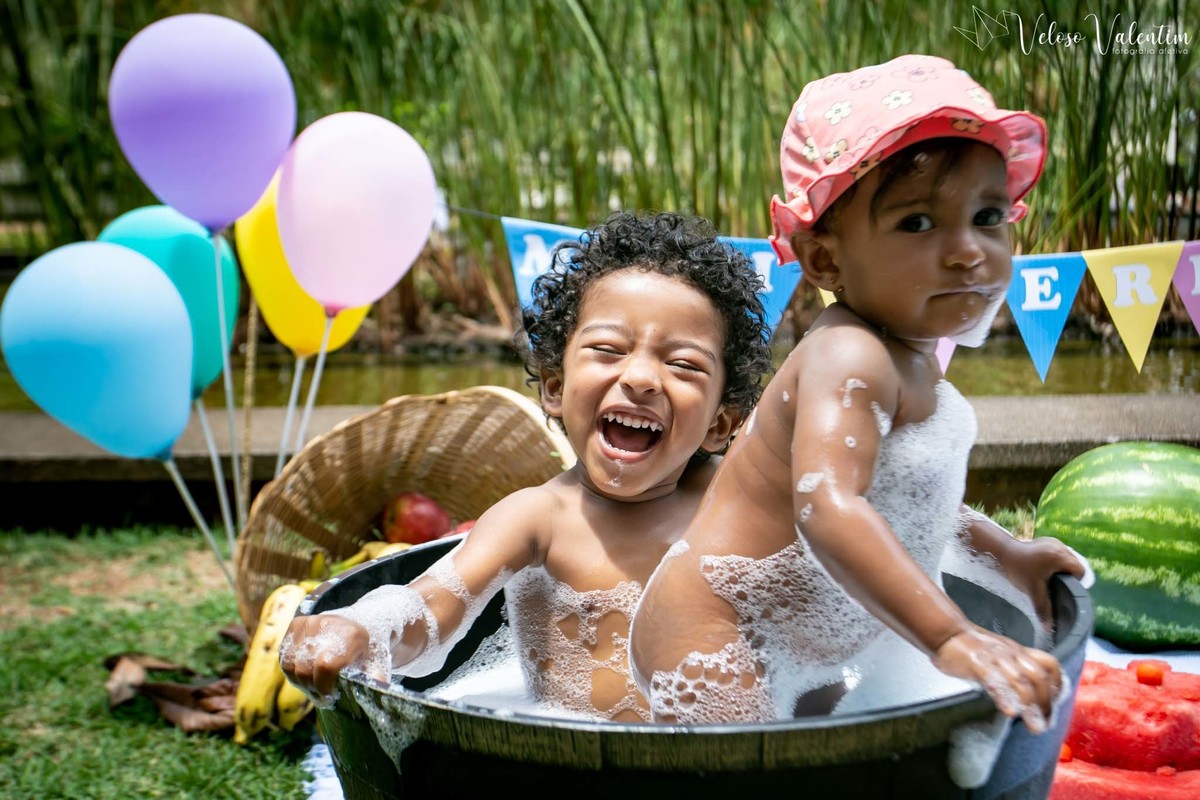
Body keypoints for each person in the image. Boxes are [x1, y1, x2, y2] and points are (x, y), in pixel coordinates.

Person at [628, 55, 1086, 728]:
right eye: (919, 224)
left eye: (988, 215)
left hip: (797, 642)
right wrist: (951, 635)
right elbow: (830, 507)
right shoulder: (850, 355)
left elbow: (909, 506)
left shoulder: (911, 355)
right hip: (716, 630)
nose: (968, 251)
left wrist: (1006, 556)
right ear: (825, 259)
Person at [280, 210, 773, 723]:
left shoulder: (736, 504)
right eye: (608, 350)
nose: (643, 377)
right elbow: (432, 607)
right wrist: (365, 626)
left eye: (683, 364)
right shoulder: (540, 519)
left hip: (733, 763)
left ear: (720, 423)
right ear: (555, 388)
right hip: (572, 760)